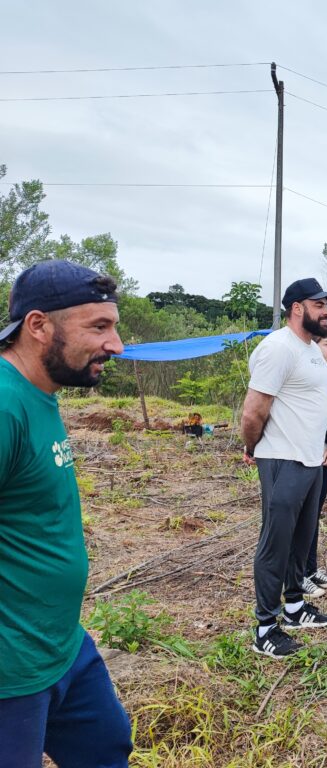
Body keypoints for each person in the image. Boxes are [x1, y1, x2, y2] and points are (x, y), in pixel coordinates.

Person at [0, 260, 133, 766]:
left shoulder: (41, 393)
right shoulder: (4, 404)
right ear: (39, 326)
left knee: (105, 746)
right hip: (13, 670)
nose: (116, 344)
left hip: (61, 646)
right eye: (99, 327)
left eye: (113, 325)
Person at [241, 278, 327, 658]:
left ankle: (295, 609)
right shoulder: (278, 349)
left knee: (302, 538)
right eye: (319, 305)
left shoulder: (310, 349)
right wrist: (252, 447)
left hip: (311, 458)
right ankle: (265, 627)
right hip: (283, 457)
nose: (326, 311)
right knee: (276, 542)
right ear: (297, 308)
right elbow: (254, 410)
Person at [301, 336, 327, 598]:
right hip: (306, 454)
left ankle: (310, 569)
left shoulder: (324, 375)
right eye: (326, 343)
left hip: (323, 454)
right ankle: (297, 576)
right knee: (302, 518)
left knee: (313, 515)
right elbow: (309, 416)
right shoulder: (307, 374)